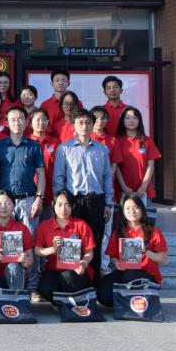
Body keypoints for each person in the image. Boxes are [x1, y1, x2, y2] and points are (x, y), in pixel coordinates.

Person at [53, 109, 114, 284]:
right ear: (73, 124)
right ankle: (72, 282)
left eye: (88, 122)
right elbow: (59, 178)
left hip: (96, 201)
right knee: (72, 241)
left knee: (95, 241)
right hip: (74, 201)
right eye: (80, 122)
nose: (84, 126)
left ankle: (94, 282)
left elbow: (107, 177)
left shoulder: (102, 149)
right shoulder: (64, 149)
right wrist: (60, 204)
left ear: (93, 124)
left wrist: (108, 203)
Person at [98, 194, 168, 306]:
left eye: (136, 207)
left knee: (130, 274)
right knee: (103, 294)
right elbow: (113, 257)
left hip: (146, 274)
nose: (132, 211)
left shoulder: (153, 231)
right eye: (127, 208)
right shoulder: (118, 232)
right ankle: (130, 301)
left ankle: (139, 299)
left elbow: (163, 259)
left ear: (142, 209)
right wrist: (117, 263)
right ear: (123, 211)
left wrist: (146, 251)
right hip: (124, 272)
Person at [34, 189, 96, 302]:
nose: (63, 209)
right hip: (54, 270)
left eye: (67, 205)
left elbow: (89, 252)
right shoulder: (44, 226)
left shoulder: (81, 225)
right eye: (59, 205)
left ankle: (75, 303)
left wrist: (83, 263)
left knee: (69, 276)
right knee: (45, 288)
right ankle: (61, 304)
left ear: (73, 206)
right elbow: (37, 250)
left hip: (77, 271)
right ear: (53, 205)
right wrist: (52, 249)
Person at [0, 106, 45, 235]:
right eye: (13, 120)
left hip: (28, 200)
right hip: (4, 201)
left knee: (29, 238)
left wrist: (39, 198)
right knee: (7, 240)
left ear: (26, 122)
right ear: (6, 123)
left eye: (20, 119)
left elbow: (41, 174)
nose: (17, 123)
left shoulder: (34, 146)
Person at [0, 190, 34, 292]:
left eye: (8, 203)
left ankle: (16, 299)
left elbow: (30, 260)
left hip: (16, 274)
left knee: (13, 267)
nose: (3, 207)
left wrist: (24, 260)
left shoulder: (22, 228)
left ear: (14, 206)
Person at [113, 107, 161, 205]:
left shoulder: (147, 140)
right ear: (123, 121)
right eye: (128, 118)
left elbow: (151, 166)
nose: (131, 121)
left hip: (144, 190)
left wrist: (143, 187)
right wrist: (124, 187)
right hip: (123, 190)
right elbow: (116, 166)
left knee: (145, 214)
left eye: (135, 118)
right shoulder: (117, 141)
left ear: (139, 121)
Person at [28, 109, 60, 212]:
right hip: (29, 194)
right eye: (38, 120)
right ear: (31, 122)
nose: (41, 122)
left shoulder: (55, 142)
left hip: (50, 194)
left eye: (44, 119)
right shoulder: (25, 142)